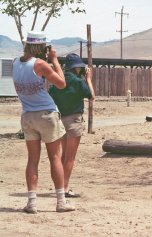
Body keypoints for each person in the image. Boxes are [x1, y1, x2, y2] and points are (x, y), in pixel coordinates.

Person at [12, 31, 75, 213]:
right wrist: (54, 60)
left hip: (28, 115)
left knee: (33, 159)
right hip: (46, 114)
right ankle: (61, 202)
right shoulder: (40, 64)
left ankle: (32, 203)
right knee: (55, 157)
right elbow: (62, 83)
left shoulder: (16, 63)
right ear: (41, 47)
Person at [49, 53, 95, 198]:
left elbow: (51, 96)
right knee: (70, 157)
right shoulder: (78, 81)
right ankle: (65, 188)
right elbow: (91, 95)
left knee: (63, 156)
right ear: (79, 67)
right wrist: (88, 79)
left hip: (60, 120)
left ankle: (60, 186)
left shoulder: (59, 80)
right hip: (74, 120)